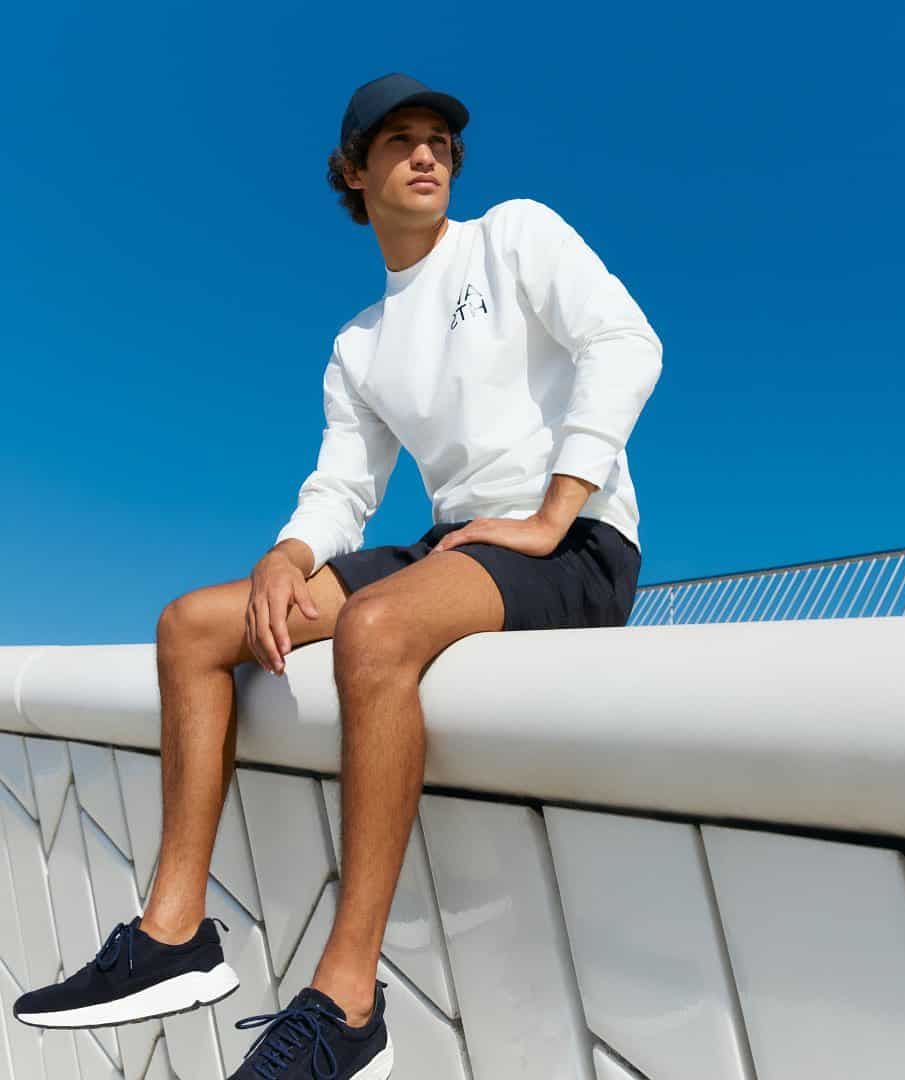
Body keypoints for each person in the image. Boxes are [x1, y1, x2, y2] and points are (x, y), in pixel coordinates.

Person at [11, 71, 662, 1079]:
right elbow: (344, 482)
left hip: (571, 544)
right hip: (453, 540)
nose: (427, 154)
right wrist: (287, 552)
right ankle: (175, 934)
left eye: (440, 140)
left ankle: (347, 1005)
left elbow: (626, 341)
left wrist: (555, 507)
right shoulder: (359, 342)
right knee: (193, 625)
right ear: (353, 174)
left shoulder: (515, 235)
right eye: (400, 140)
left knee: (373, 632)